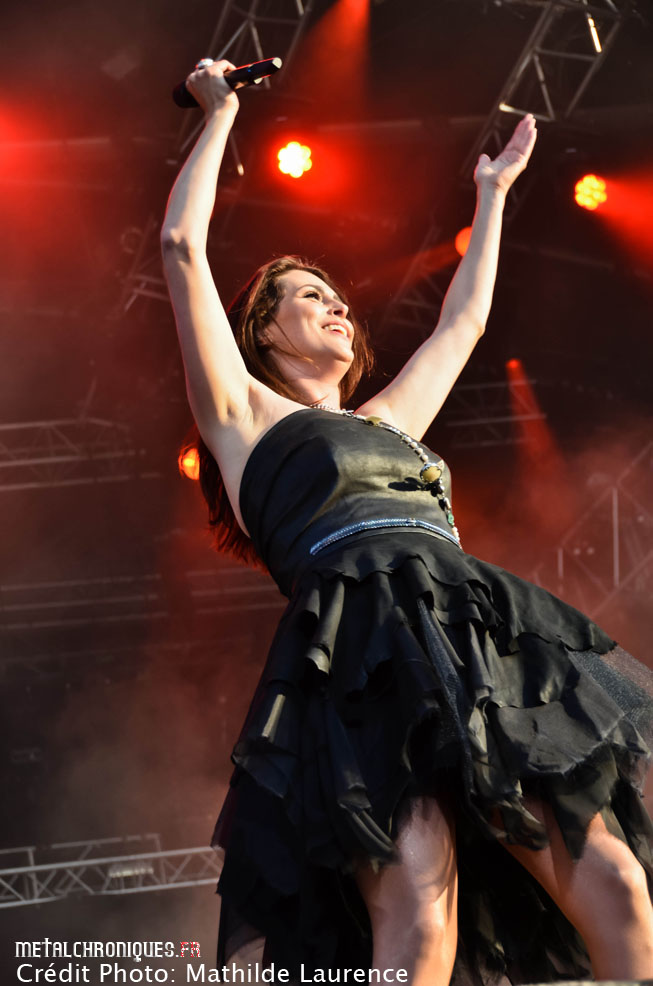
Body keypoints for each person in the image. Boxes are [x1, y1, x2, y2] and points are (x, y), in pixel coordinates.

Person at [161, 60, 653, 985]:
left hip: (467, 636)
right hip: (364, 659)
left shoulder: (386, 421)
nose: (338, 305)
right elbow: (182, 245)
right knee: (420, 923)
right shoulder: (242, 418)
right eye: (310, 294)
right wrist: (218, 113)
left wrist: (492, 194)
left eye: (336, 294)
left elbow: (462, 326)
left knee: (620, 889)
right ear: (262, 329)